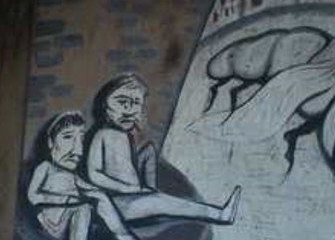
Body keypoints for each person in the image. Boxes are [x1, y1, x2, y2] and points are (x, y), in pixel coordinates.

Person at [84, 73, 239, 224]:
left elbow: (125, 168)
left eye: (136, 102)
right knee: (164, 202)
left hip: (133, 197)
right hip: (116, 205)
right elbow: (94, 174)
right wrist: (126, 188)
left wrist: (143, 186)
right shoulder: (102, 135)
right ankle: (219, 214)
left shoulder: (125, 136)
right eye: (121, 101)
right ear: (105, 106)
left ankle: (152, 192)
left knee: (149, 151)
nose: (128, 108)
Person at [26, 112, 152, 240]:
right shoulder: (45, 168)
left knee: (97, 196)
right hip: (50, 220)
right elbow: (33, 196)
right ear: (51, 143)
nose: (77, 149)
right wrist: (65, 199)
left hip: (69, 217)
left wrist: (108, 191)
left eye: (81, 140)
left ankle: (124, 237)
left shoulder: (73, 175)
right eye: (68, 137)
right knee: (82, 208)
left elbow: (91, 189)